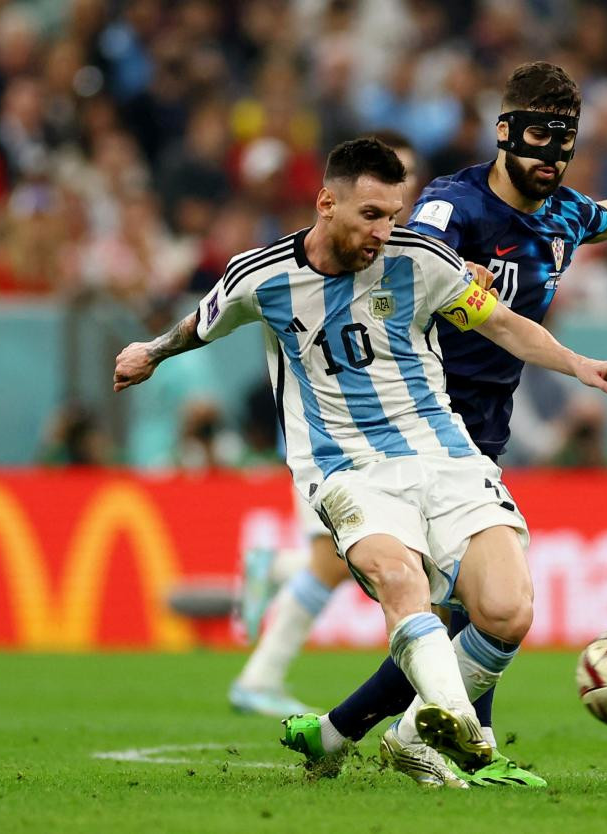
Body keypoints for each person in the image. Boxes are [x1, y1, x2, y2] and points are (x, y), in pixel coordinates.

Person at [279, 61, 607, 786]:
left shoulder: (560, 217)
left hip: (478, 429)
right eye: (539, 141)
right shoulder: (450, 208)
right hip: (402, 426)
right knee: (471, 603)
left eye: (564, 146)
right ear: (505, 133)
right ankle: (427, 741)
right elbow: (393, 257)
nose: (551, 159)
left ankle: (339, 735)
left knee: (475, 608)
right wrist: (450, 277)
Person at [112, 138, 607, 789]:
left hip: (445, 456)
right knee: (402, 581)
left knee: (507, 611)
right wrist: (151, 351)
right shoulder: (264, 275)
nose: (383, 231)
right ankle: (464, 736)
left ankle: (399, 737)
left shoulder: (421, 262)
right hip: (348, 469)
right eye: (371, 214)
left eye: (393, 214)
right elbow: (201, 322)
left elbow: (504, 325)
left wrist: (578, 364)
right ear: (326, 202)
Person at [227, 131, 422, 718]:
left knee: (341, 561)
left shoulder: (402, 256)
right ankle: (260, 678)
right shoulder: (300, 263)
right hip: (327, 441)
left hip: (393, 439)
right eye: (374, 206)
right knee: (345, 560)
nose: (386, 220)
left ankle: (269, 606)